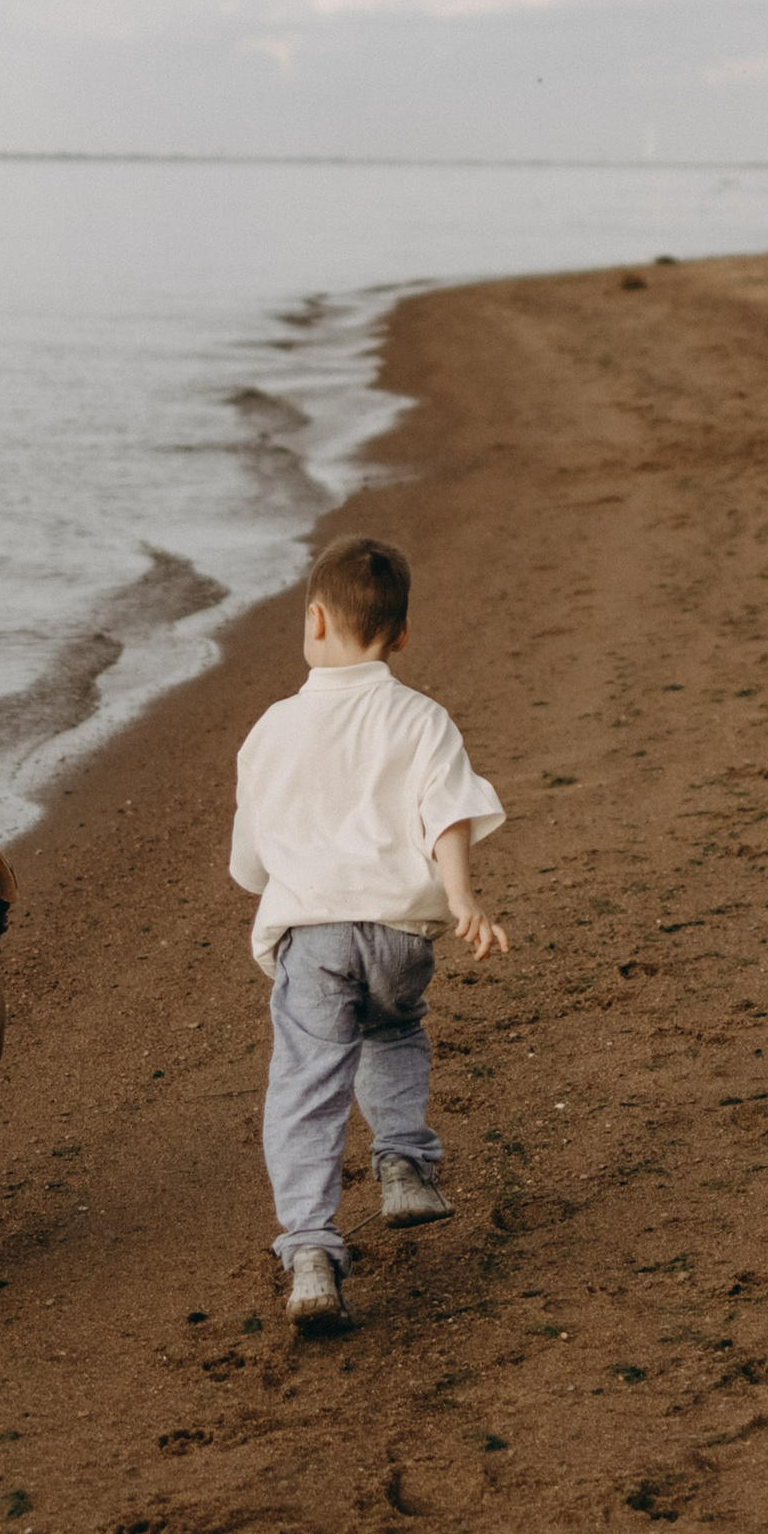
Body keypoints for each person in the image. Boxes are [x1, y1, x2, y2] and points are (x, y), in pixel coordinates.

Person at [229, 533, 506, 1336]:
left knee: (306, 1089)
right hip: (399, 934)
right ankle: (404, 1165)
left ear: (314, 620)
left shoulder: (272, 729)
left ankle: (312, 1251)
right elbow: (447, 810)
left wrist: (290, 880)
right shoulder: (421, 718)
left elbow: (250, 860)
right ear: (402, 634)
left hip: (314, 936)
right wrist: (462, 898)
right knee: (394, 1030)